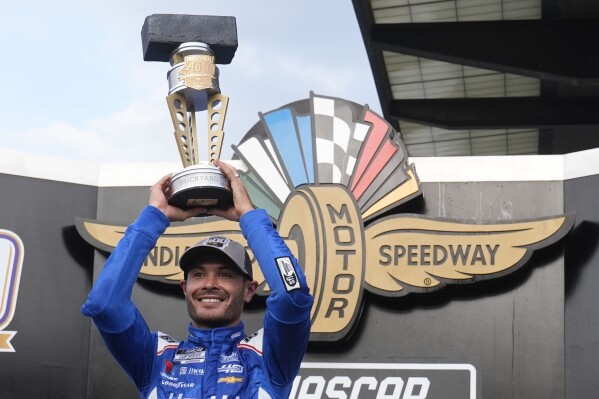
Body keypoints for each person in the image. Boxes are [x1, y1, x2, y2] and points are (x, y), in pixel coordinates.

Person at [81, 160, 314, 399]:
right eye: (199, 274)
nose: (209, 283)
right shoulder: (156, 358)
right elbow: (104, 304)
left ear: (249, 290)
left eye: (225, 274)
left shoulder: (267, 357)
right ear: (185, 287)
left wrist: (249, 215)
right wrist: (154, 217)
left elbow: (292, 295)